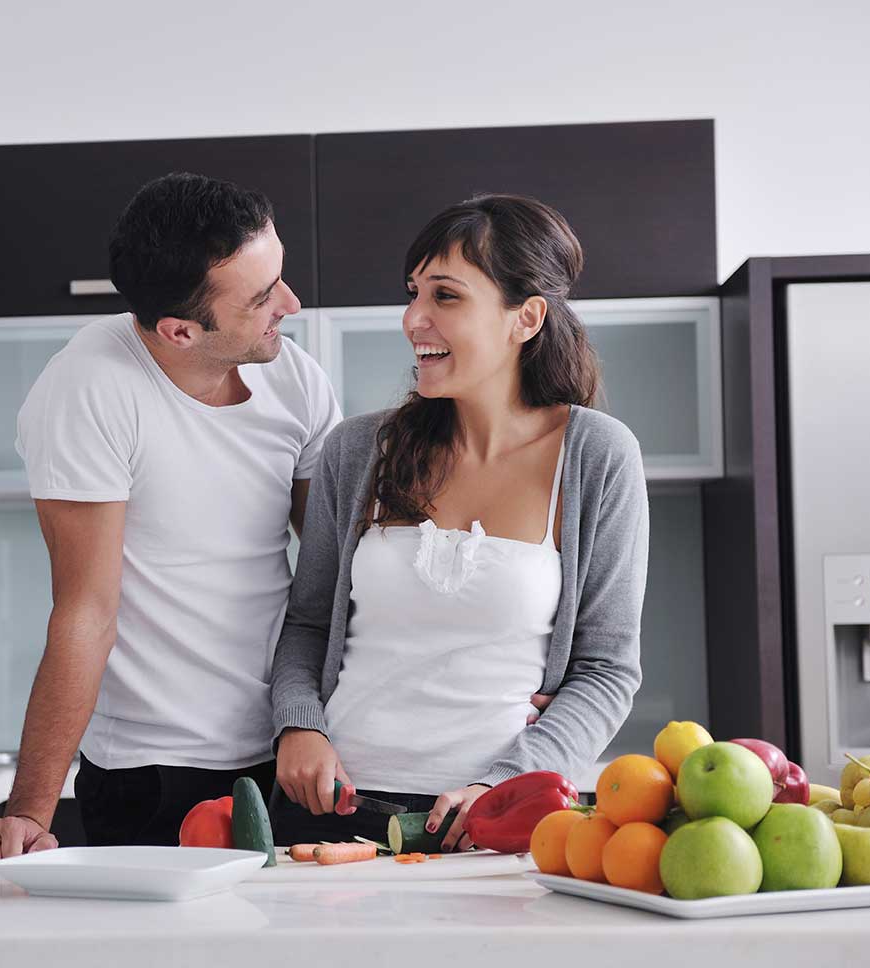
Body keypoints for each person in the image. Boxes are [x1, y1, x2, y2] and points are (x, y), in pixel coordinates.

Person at [0, 172, 342, 864]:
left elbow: (333, 575)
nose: (291, 303)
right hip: (152, 771)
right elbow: (86, 612)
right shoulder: (90, 388)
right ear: (180, 331)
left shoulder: (295, 376)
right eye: (261, 298)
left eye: (279, 276)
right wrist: (29, 813)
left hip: (292, 749)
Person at [269, 193, 648, 851]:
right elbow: (306, 624)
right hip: (328, 812)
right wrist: (299, 725)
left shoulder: (596, 456)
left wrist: (506, 784)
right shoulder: (359, 450)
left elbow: (607, 669)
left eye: (445, 296)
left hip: (493, 824)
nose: (413, 318)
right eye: (413, 293)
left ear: (525, 318)